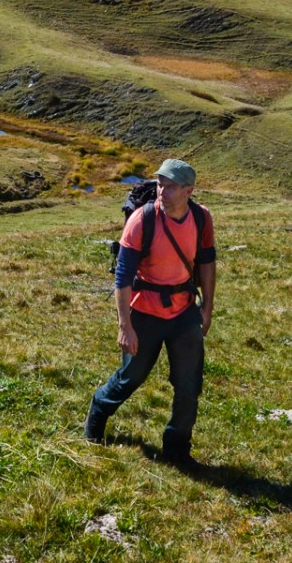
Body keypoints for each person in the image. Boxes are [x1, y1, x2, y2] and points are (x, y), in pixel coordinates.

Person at [85, 158, 216, 466]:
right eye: (160, 185)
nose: (162, 192)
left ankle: (177, 450)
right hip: (144, 311)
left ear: (188, 190)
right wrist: (125, 325)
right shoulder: (141, 220)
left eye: (170, 187)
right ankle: (98, 411)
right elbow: (123, 275)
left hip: (184, 311)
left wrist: (207, 308)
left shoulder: (201, 218)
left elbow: (207, 262)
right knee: (130, 377)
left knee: (189, 385)